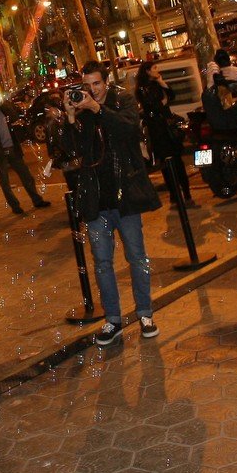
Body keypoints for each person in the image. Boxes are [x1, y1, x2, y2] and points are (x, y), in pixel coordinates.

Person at [67, 61, 157, 347]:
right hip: (97, 200)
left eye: (96, 83)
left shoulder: (123, 100)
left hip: (125, 196)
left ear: (106, 82)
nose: (92, 90)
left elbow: (130, 131)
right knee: (102, 263)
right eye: (87, 86)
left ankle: (145, 314)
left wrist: (98, 110)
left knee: (137, 258)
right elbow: (71, 152)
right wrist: (70, 117)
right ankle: (113, 320)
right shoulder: (82, 111)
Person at [0, 100, 50, 214]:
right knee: (5, 183)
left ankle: (37, 200)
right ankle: (15, 206)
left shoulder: (4, 110)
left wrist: (3, 103)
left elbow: (15, 117)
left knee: (27, 176)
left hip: (12, 149)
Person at [135, 60, 192, 206]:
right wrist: (162, 103)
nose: (157, 70)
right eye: (154, 68)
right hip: (158, 131)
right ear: (147, 71)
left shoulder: (156, 84)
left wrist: (162, 83)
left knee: (178, 162)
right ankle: (175, 194)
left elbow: (171, 96)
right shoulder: (142, 89)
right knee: (167, 164)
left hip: (168, 128)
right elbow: (153, 106)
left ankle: (186, 193)